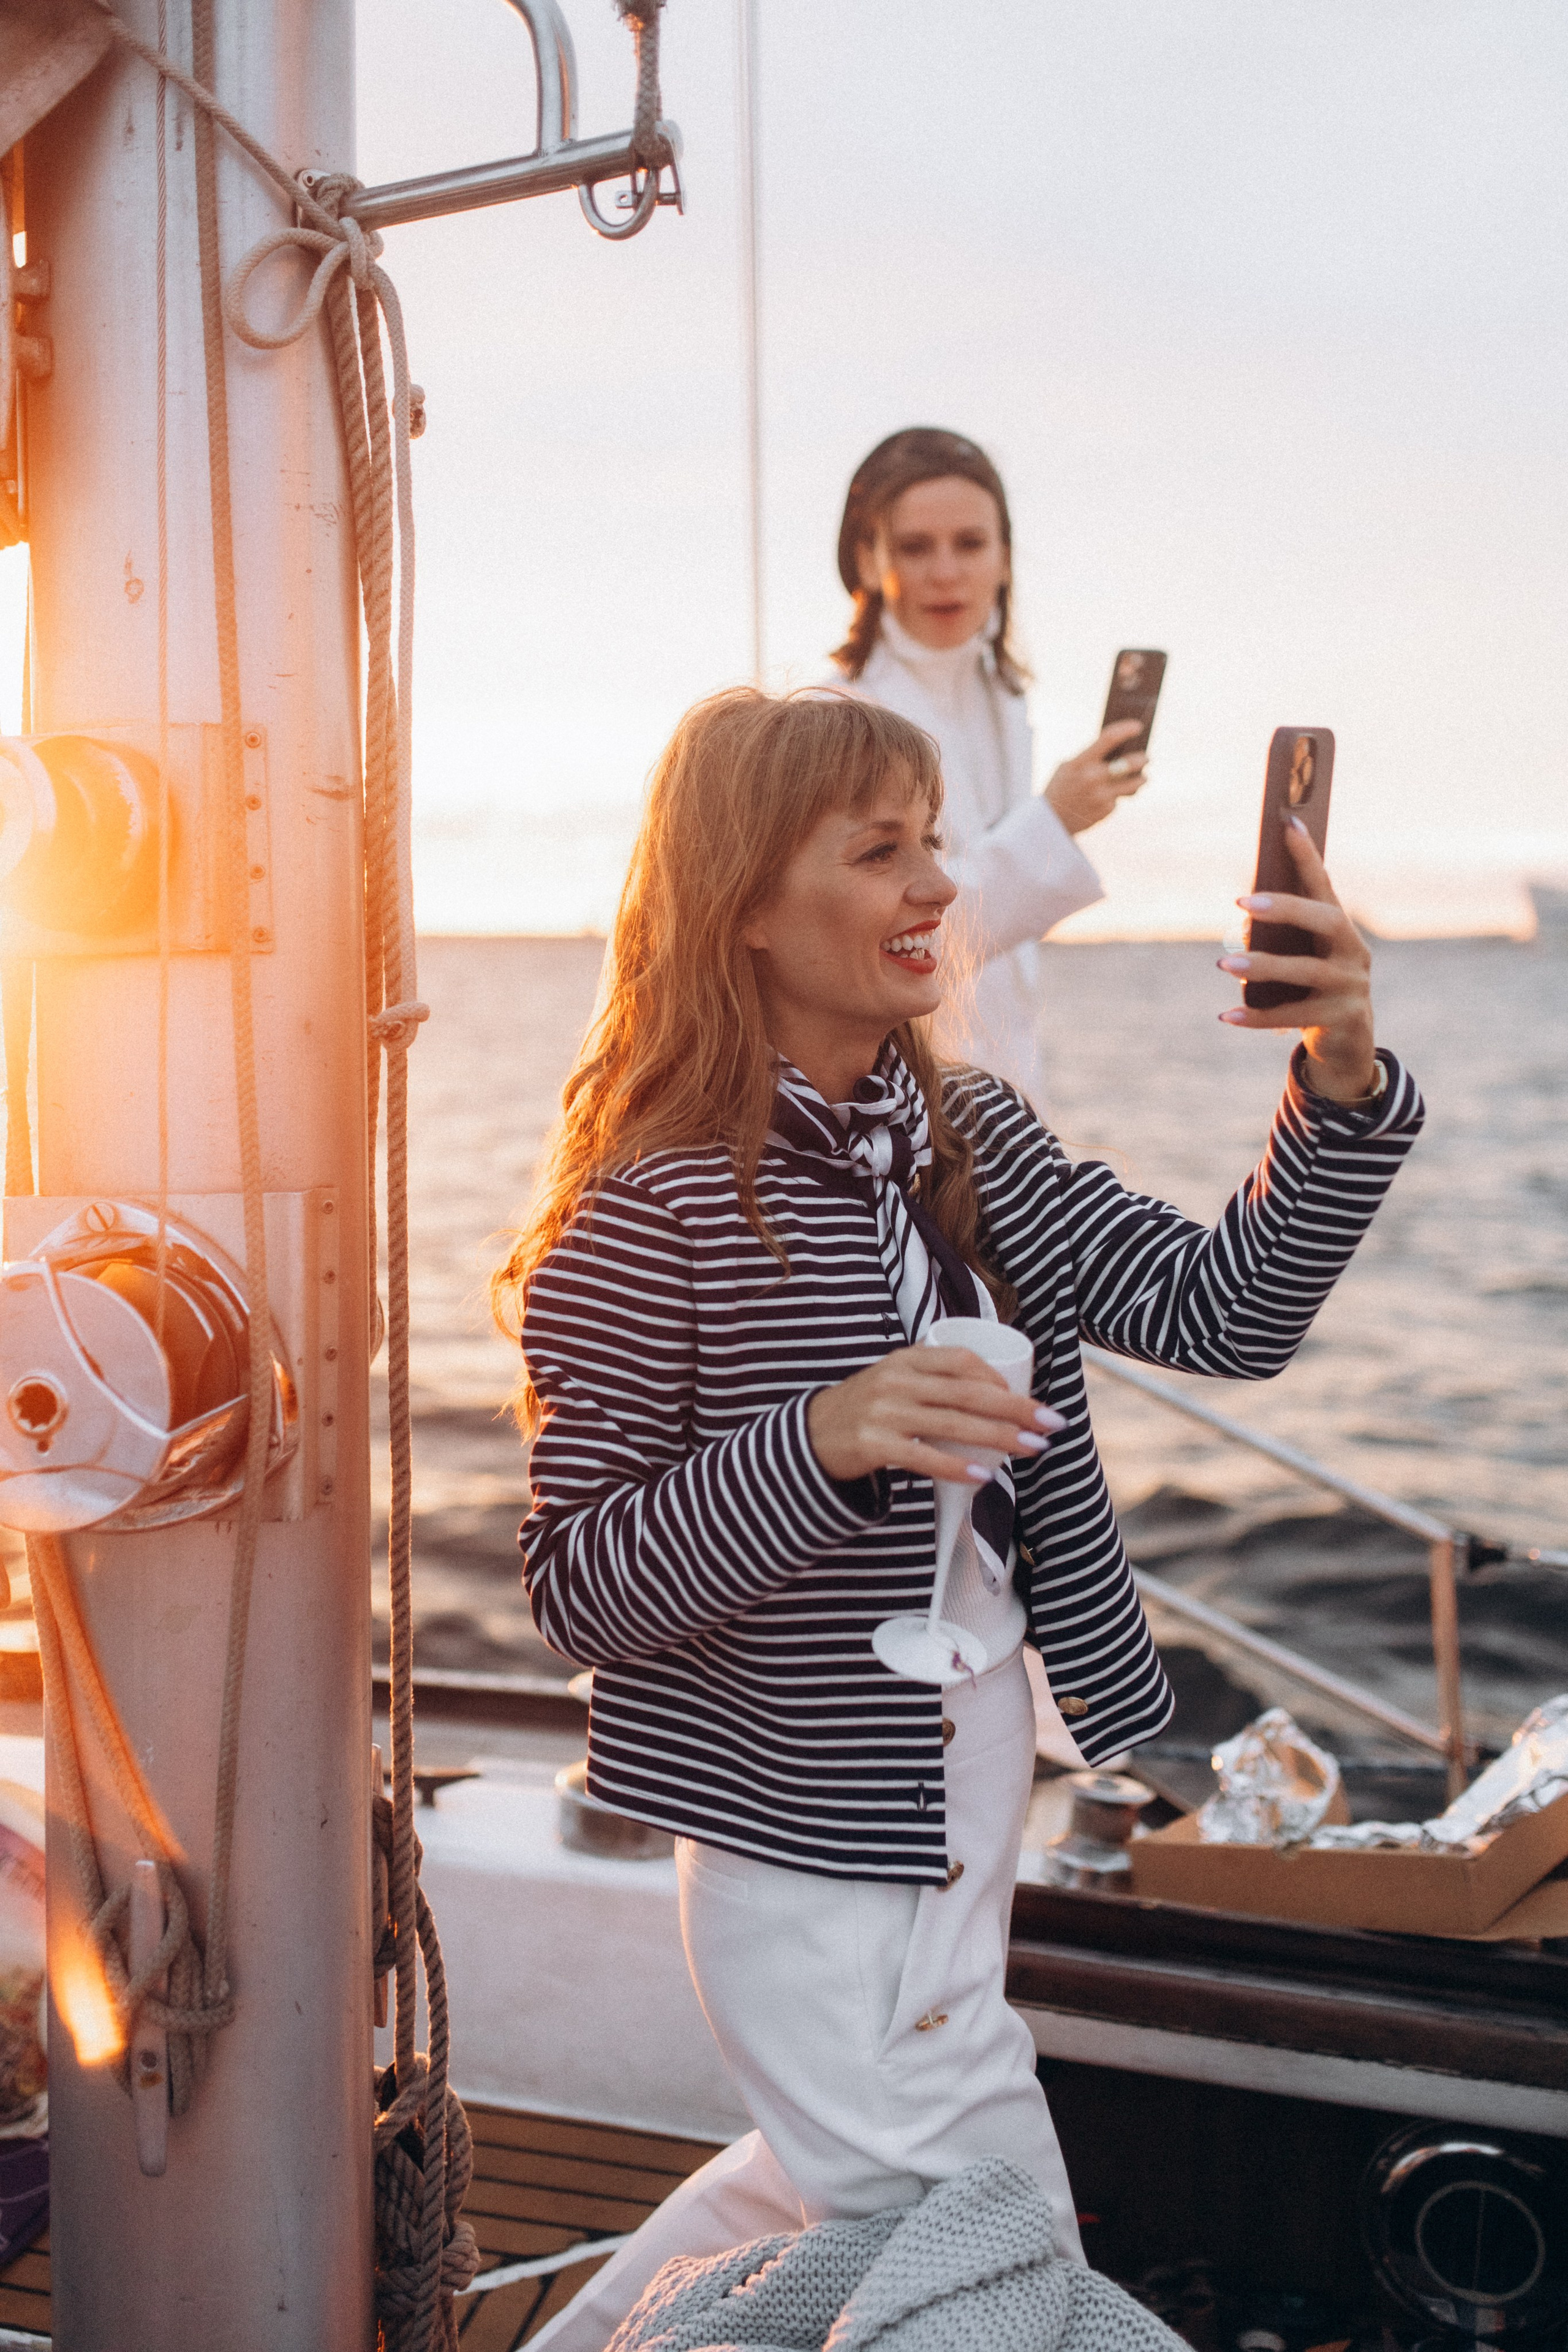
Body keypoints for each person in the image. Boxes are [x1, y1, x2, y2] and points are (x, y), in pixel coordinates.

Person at [495, 688, 1422, 2351]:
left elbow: (1225, 1313)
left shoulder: (969, 1135)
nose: (938, 880)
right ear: (745, 908)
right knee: (1003, 2249)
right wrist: (820, 1439)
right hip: (809, 1855)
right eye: (880, 850)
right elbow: (581, 1590)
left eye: (933, 838)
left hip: (965, 1808)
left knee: (817, 2192)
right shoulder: (651, 1203)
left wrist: (1338, 1077)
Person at [830, 424, 1149, 1103]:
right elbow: (881, 934)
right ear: (867, 561)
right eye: (916, 547)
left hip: (1007, 1089)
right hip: (893, 1097)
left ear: (1005, 559)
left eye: (970, 544)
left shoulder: (1003, 698)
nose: (946, 572)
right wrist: (1055, 820)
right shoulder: (836, 719)